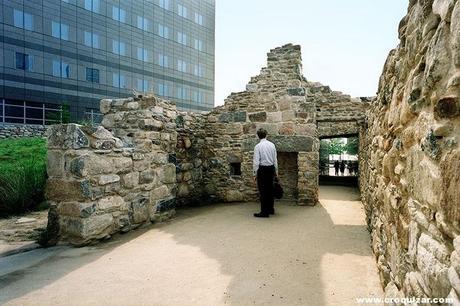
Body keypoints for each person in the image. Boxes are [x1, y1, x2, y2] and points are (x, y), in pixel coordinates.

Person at [253, 128, 278, 218]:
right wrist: (276, 172)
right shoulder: (272, 145)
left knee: (263, 191)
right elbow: (275, 159)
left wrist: (255, 173)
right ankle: (271, 209)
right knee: (270, 189)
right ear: (266, 135)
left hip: (262, 170)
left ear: (258, 136)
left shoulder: (257, 147)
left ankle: (264, 212)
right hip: (271, 168)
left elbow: (256, 161)